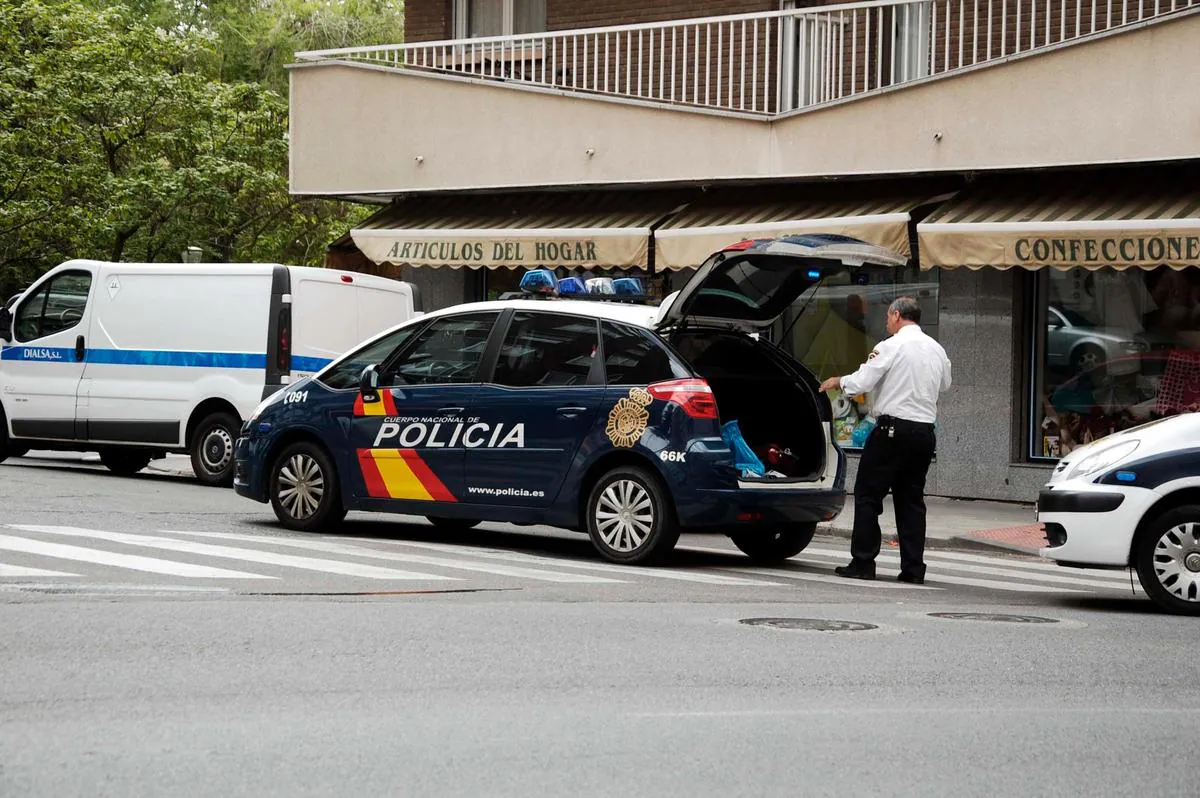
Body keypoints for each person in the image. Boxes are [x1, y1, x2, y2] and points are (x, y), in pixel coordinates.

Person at [818, 296, 952, 584]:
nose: (886, 322)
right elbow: (946, 384)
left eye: (888, 317)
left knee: (868, 495)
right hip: (924, 433)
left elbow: (862, 381)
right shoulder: (937, 349)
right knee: (911, 501)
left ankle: (863, 562)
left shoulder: (890, 346)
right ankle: (913, 570)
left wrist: (839, 381)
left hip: (892, 431)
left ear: (896, 315)